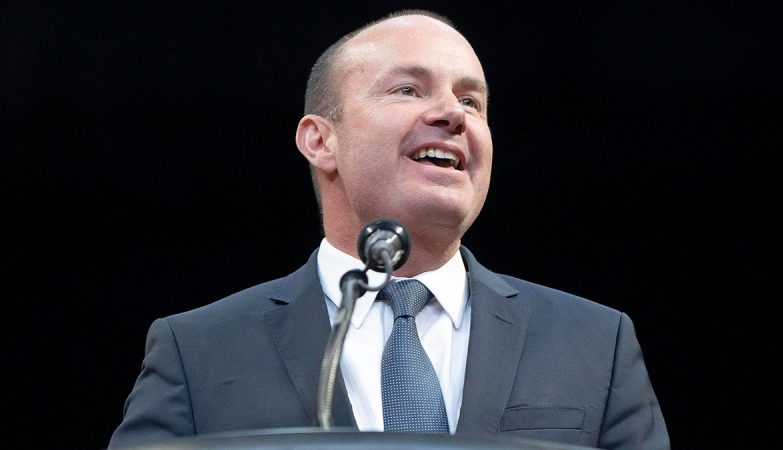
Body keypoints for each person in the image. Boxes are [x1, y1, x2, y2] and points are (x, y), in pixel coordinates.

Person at [108, 9, 670, 450]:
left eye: (471, 100)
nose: (453, 114)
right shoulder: (198, 351)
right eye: (408, 89)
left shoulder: (595, 343)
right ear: (320, 141)